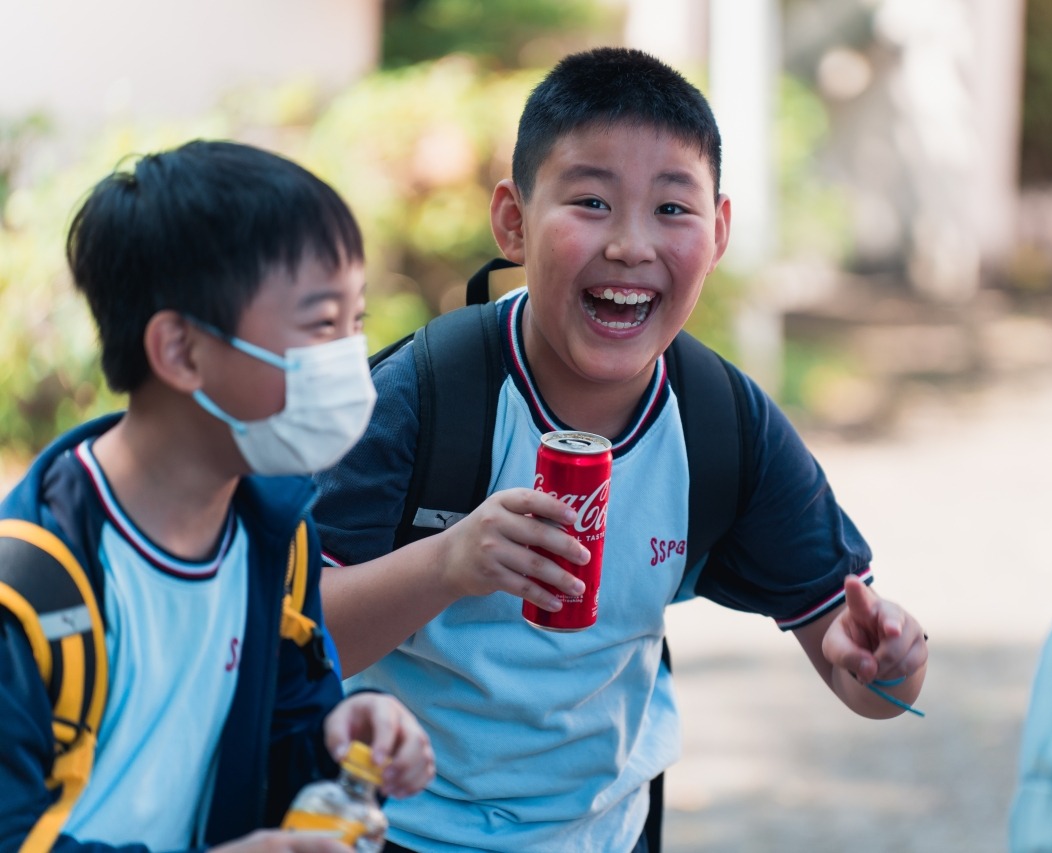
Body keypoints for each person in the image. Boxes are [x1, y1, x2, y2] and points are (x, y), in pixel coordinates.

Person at [313, 47, 929, 853]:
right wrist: (448, 564)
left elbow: (866, 682)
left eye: (673, 208)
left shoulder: (722, 421)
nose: (632, 244)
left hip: (604, 833)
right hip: (392, 829)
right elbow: (293, 640)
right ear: (513, 220)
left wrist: (889, 663)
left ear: (719, 232)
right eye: (592, 201)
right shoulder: (422, 396)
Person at [0, 140, 436, 852]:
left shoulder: (277, 536)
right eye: (321, 325)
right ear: (181, 351)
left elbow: (282, 728)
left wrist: (344, 745)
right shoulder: (28, 592)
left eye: (354, 322)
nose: (348, 359)